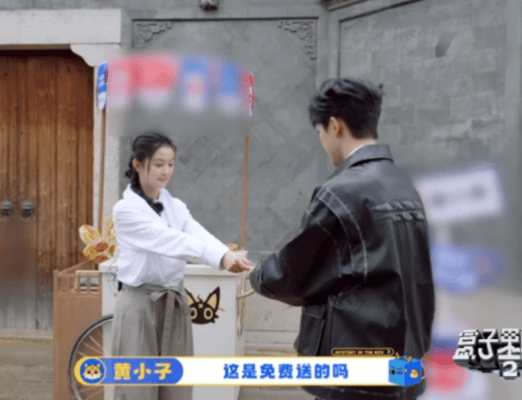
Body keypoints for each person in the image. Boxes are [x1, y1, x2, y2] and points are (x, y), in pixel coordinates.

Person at [248, 78, 435, 400]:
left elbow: (296, 272)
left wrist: (258, 274)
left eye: (320, 132)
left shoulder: (342, 192)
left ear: (334, 126)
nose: (323, 141)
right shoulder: (404, 185)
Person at [110, 131, 252, 400]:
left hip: (174, 303)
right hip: (140, 306)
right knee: (137, 389)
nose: (166, 171)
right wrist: (221, 258)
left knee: (176, 387)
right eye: (159, 164)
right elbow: (171, 240)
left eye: (171, 164)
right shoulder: (126, 210)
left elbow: (197, 233)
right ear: (138, 164)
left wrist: (226, 254)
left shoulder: (175, 206)